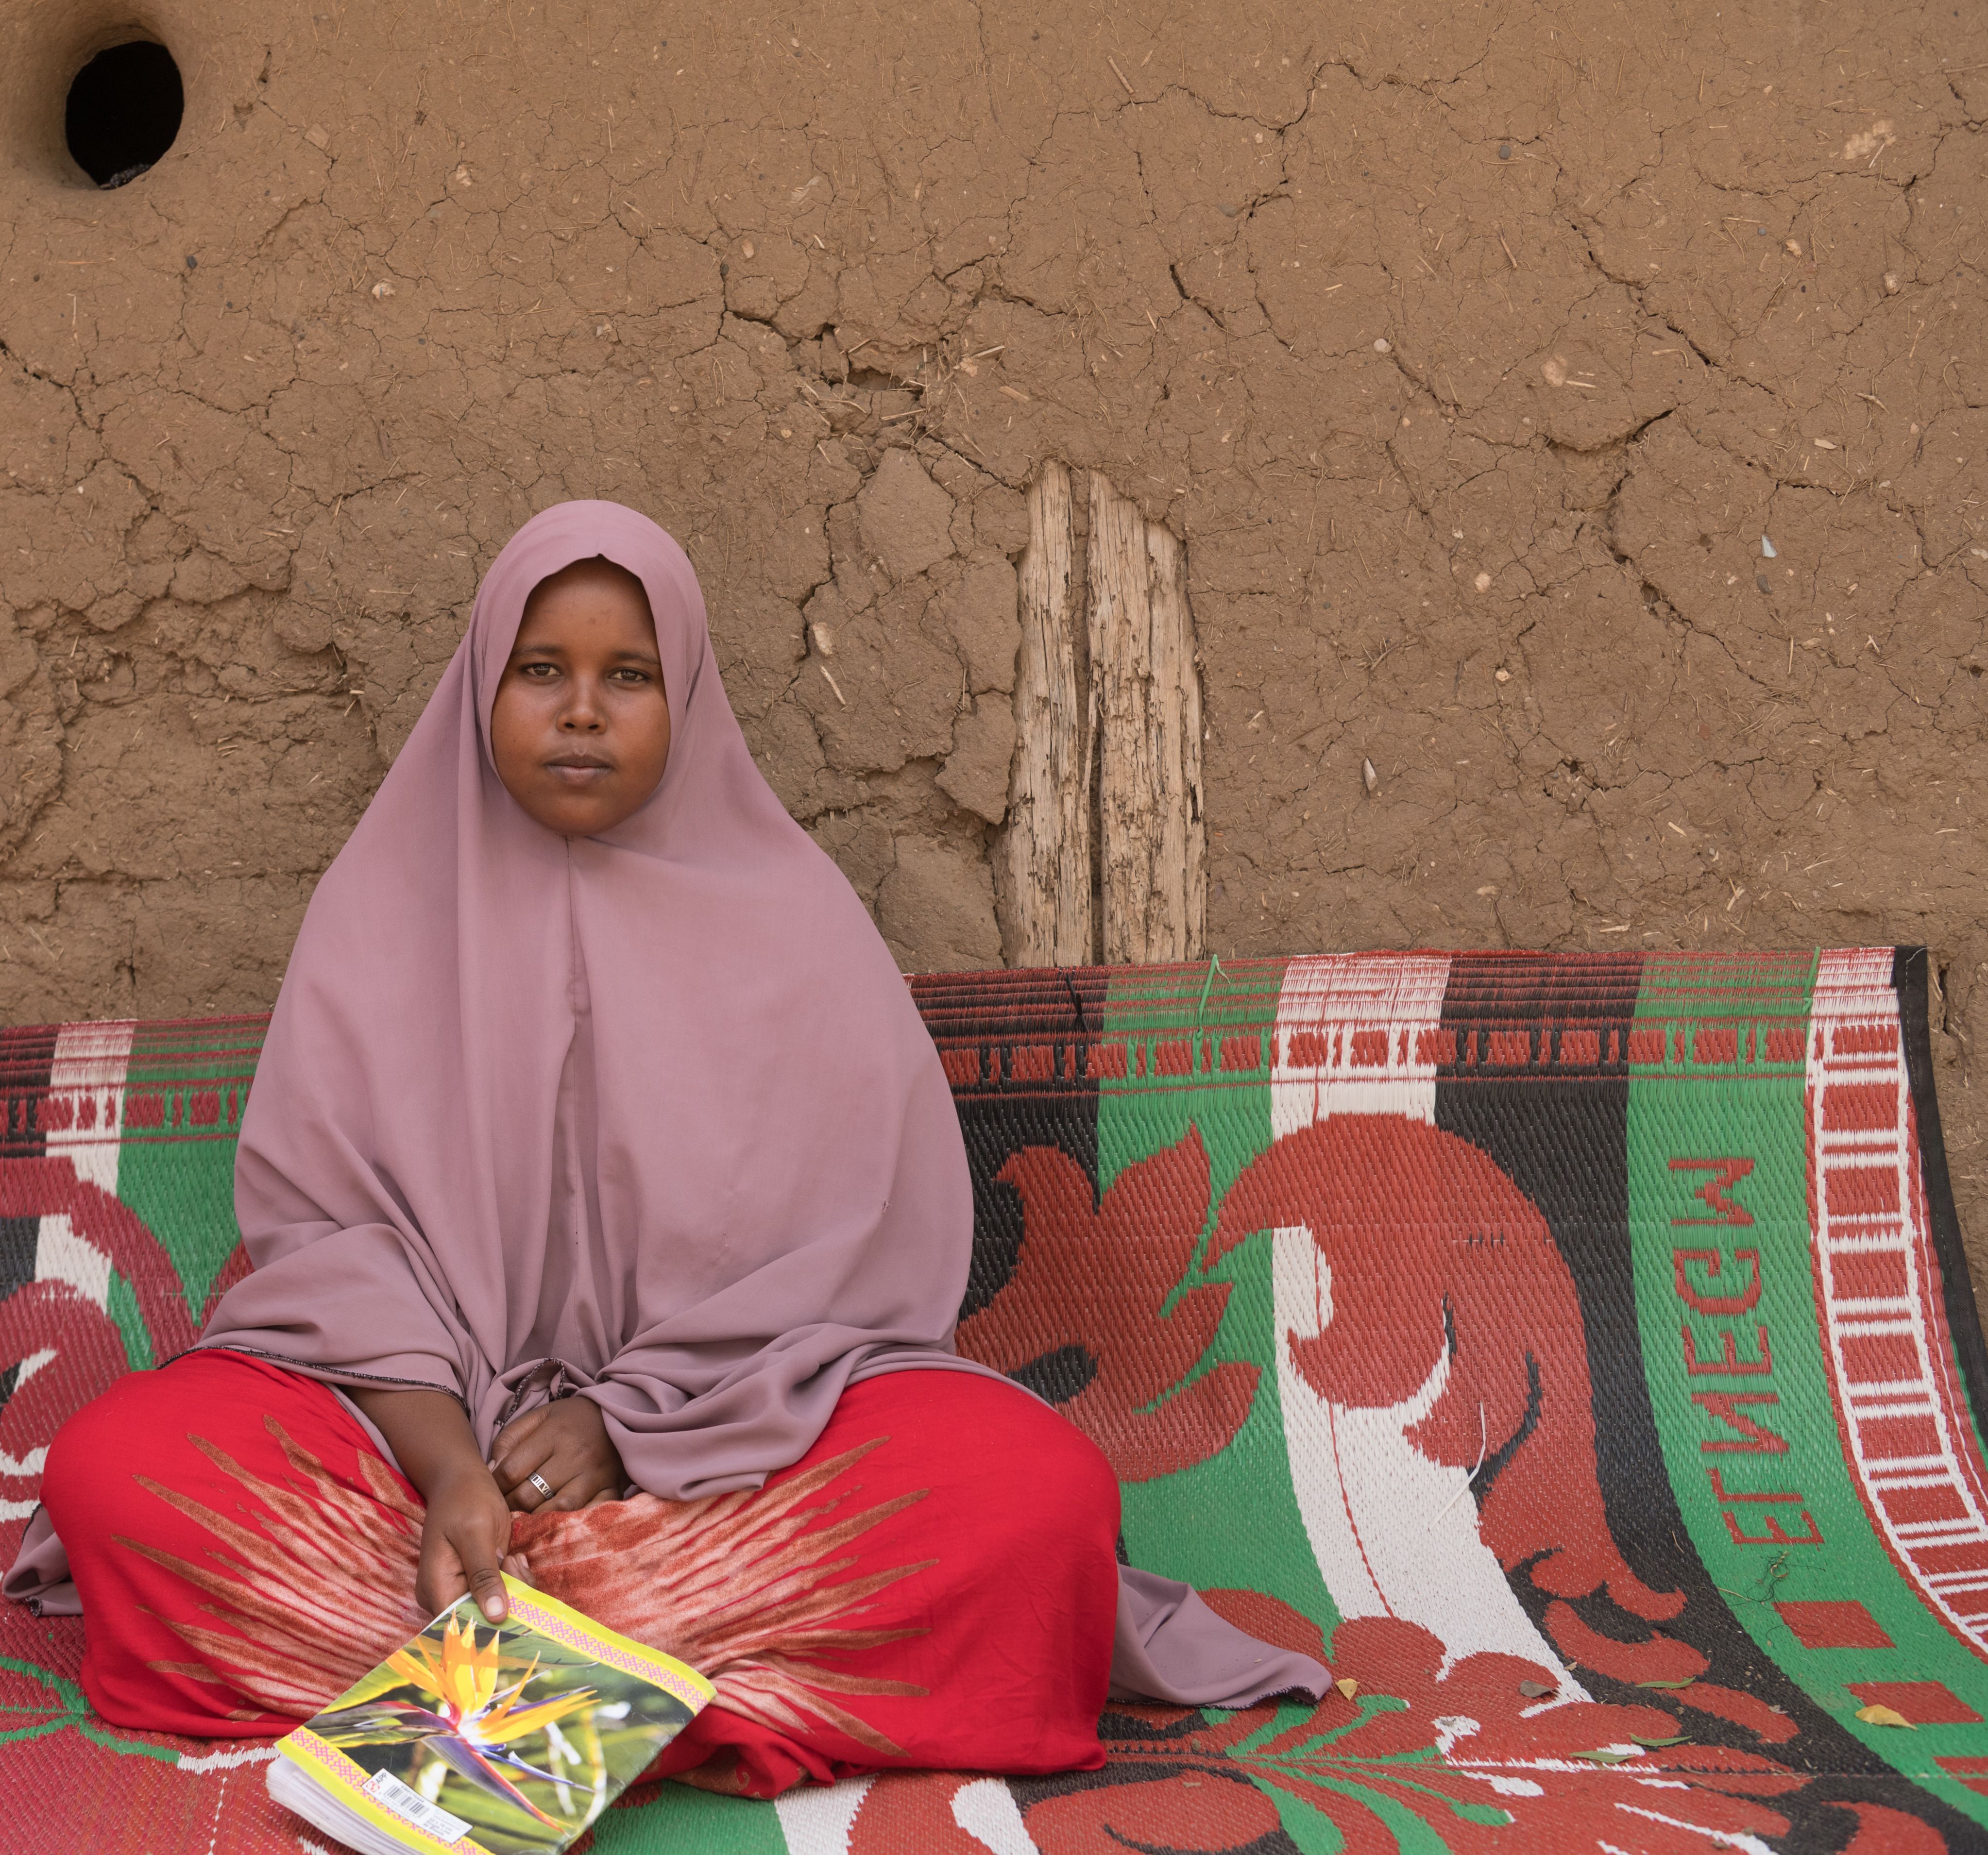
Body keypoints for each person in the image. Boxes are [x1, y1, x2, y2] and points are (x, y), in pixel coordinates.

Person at [6, 501, 1325, 1798]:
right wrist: (459, 1467)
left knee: (1039, 1495)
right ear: (485, 688)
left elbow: (846, 1268)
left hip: (728, 1462)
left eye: (625, 675)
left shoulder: (793, 923)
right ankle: (656, 1675)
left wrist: (627, 1428)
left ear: (683, 691)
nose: (581, 709)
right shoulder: (375, 910)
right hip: (419, 1469)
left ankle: (491, 1689)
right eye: (542, 671)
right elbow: (331, 1262)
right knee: (121, 1475)